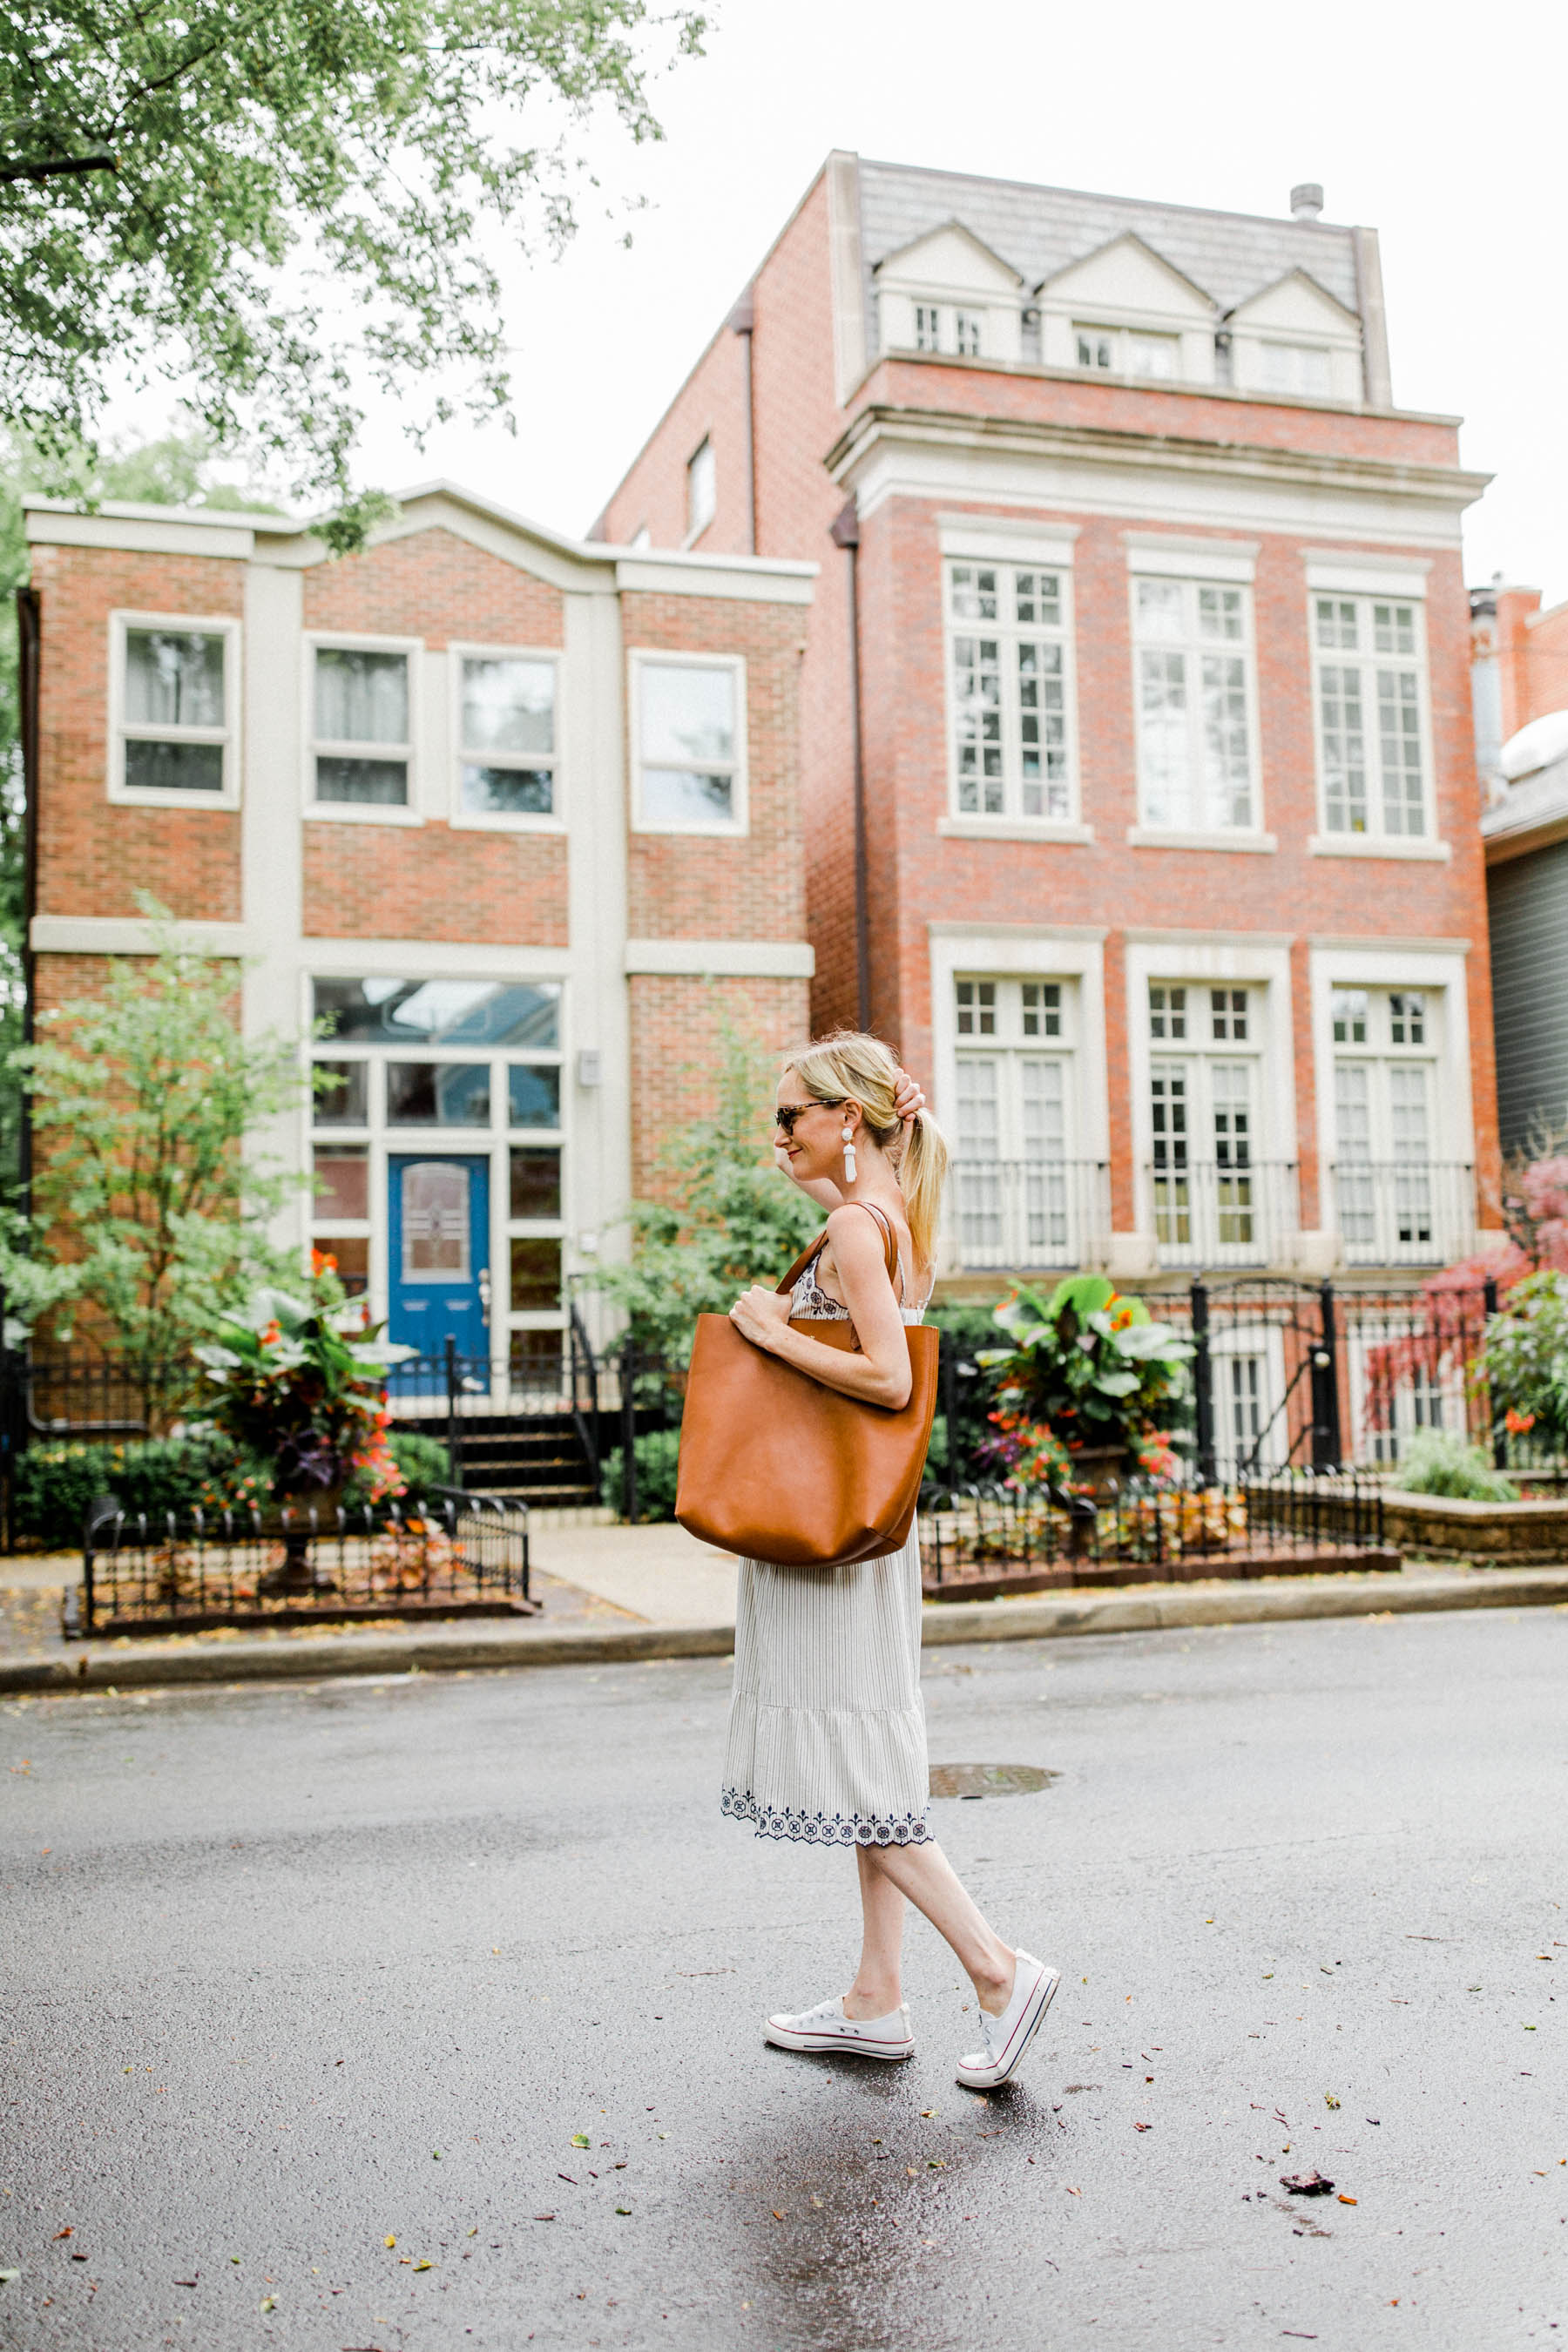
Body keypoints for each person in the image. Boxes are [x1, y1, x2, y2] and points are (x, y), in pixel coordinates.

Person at [721, 1031, 1060, 2090]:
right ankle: (875, 1998)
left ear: (848, 1122)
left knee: (865, 1765)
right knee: (870, 1756)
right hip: (864, 1534)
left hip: (832, 1540)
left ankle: (998, 1971)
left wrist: (770, 1332)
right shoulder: (889, 1222)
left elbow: (886, 1382)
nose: (778, 1136)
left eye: (792, 1116)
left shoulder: (854, 1229)